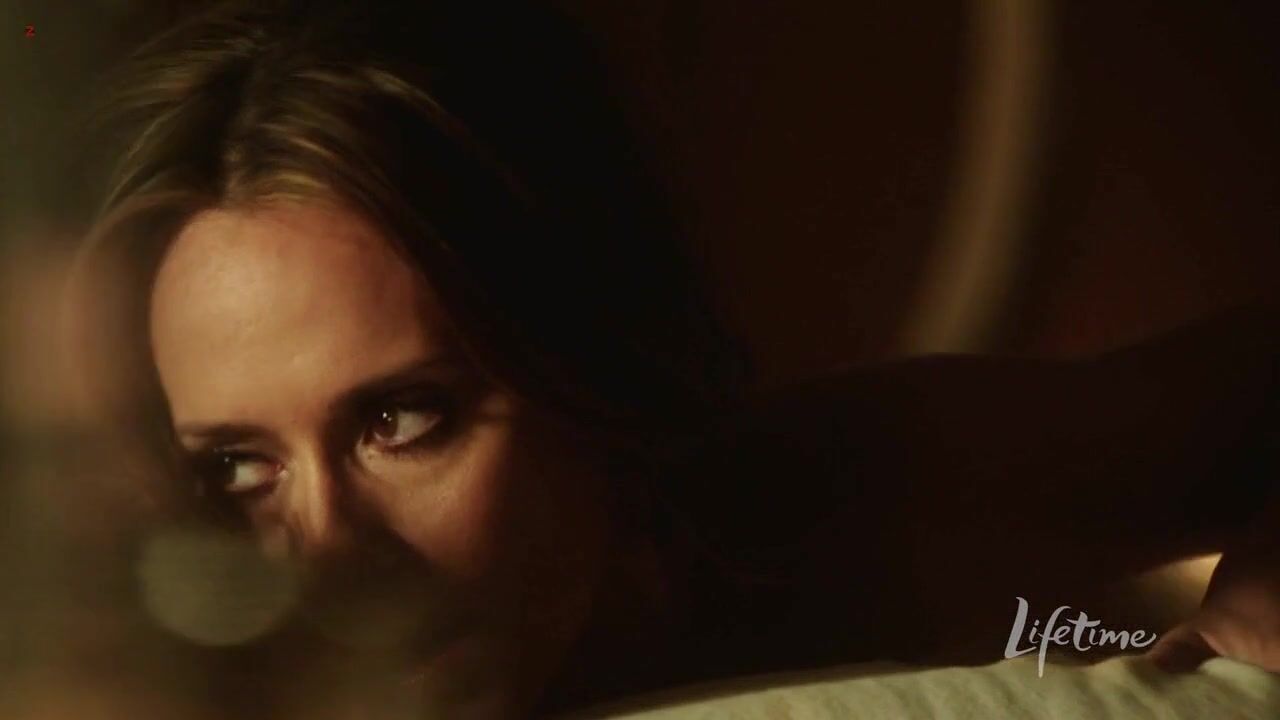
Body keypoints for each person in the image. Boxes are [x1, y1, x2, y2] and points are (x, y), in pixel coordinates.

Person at [65, 0, 1280, 717]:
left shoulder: (816, 517)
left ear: (581, 366)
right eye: (237, 468)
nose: (324, 558)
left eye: (400, 420)